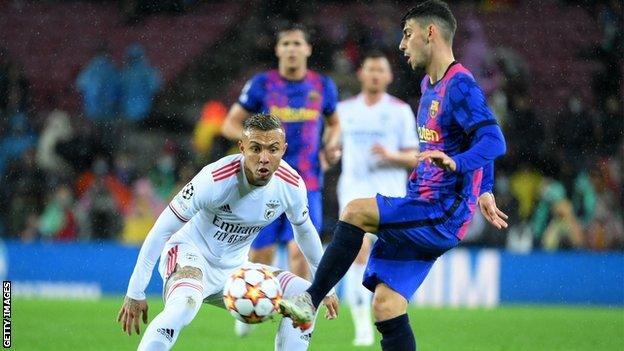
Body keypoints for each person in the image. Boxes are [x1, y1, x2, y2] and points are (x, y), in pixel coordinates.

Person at [279, 2, 508, 350]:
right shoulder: (430, 84)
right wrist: (485, 187)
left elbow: (493, 138)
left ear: (430, 32)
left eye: (407, 34)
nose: (402, 44)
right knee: (386, 307)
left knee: (355, 211)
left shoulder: (460, 84)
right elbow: (477, 132)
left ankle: (309, 300)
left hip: (441, 210)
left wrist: (460, 166)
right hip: (425, 202)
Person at [117, 114, 338, 351]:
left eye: (273, 149)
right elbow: (161, 230)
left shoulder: (291, 185)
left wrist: (326, 286)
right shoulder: (214, 179)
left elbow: (305, 233)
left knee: (306, 298)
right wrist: (135, 290)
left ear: (283, 150)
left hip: (235, 271)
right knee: (184, 306)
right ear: (242, 147)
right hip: (190, 256)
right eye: (256, 148)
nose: (264, 158)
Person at [220, 22, 340, 336]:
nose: (291, 49)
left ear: (308, 49)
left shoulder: (323, 85)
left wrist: (332, 145)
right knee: (263, 253)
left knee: (299, 251)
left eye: (297, 43)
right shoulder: (262, 84)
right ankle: (246, 300)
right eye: (285, 43)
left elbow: (335, 123)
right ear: (277, 50)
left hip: (308, 182)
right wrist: (252, 146)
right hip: (265, 182)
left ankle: (296, 313)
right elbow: (230, 124)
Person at [336, 50, 418, 346]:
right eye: (369, 68)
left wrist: (390, 156)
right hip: (353, 189)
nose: (374, 74)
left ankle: (384, 313)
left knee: (384, 260)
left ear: (389, 76)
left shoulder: (399, 110)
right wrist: (330, 152)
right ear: (361, 74)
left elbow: (415, 158)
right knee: (356, 251)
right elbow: (332, 144)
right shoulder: (343, 110)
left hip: (390, 193)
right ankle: (361, 326)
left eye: (380, 70)